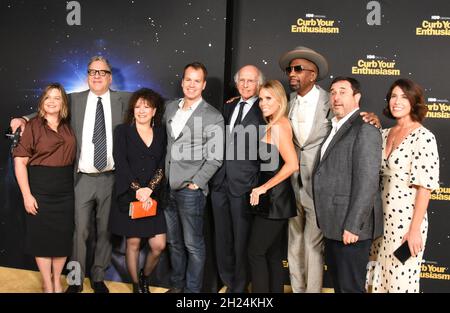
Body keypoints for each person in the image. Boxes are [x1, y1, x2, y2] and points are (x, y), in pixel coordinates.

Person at [11, 56, 131, 293]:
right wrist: (23, 118)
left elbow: (150, 107)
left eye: (102, 72)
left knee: (106, 230)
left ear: (110, 76)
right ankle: (75, 279)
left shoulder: (125, 100)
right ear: (87, 76)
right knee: (78, 231)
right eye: (92, 71)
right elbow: (47, 109)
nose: (96, 75)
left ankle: (98, 277)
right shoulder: (74, 100)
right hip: (80, 178)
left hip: (111, 177)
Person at [278, 46, 381, 292]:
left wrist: (354, 225)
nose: (292, 73)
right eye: (290, 69)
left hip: (331, 203)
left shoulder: (345, 112)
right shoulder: (288, 102)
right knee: (300, 248)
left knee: (328, 261)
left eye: (298, 69)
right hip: (296, 187)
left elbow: (367, 179)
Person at [367, 79, 439, 293]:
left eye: (403, 97)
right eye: (393, 96)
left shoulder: (424, 137)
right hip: (378, 222)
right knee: (376, 280)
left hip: (405, 223)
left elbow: (424, 188)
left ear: (414, 101)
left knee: (400, 283)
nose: (396, 101)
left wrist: (414, 230)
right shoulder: (383, 134)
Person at [312, 77, 383, 293]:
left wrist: (353, 225)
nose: (336, 97)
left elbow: (367, 182)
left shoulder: (365, 129)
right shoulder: (334, 127)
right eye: (333, 92)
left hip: (351, 229)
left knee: (350, 288)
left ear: (357, 97)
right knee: (340, 287)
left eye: (342, 92)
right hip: (333, 224)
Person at [163, 62, 224, 293]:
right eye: (188, 79)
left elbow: (215, 158)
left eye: (196, 81)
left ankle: (192, 293)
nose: (191, 84)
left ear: (204, 85)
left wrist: (196, 183)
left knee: (193, 246)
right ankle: (177, 287)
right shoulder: (170, 108)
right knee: (174, 243)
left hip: (190, 192)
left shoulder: (213, 116)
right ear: (182, 82)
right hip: (167, 189)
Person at [13, 83, 76, 293]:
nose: (51, 101)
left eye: (57, 98)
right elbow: (20, 162)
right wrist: (26, 195)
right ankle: (47, 284)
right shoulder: (32, 126)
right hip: (39, 189)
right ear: (42, 101)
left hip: (66, 191)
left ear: (63, 102)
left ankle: (57, 280)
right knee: (41, 239)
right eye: (48, 97)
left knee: (62, 238)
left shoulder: (69, 125)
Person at [210, 65, 266, 293]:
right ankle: (227, 281)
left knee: (242, 240)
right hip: (220, 182)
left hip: (244, 184)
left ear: (259, 84)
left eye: (250, 81)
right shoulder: (229, 105)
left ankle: (239, 288)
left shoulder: (264, 109)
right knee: (222, 238)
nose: (245, 85)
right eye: (241, 80)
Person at [108, 88, 167, 293]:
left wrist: (150, 189)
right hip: (129, 193)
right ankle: (137, 287)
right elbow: (121, 163)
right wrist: (138, 190)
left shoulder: (161, 132)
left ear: (154, 110)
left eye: (147, 106)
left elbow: (162, 163)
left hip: (153, 195)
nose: (142, 110)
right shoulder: (122, 131)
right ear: (133, 109)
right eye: (138, 106)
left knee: (158, 245)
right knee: (132, 242)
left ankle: (145, 277)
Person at [248, 80, 298, 293]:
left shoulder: (278, 126)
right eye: (260, 98)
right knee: (273, 254)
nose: (262, 103)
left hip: (274, 199)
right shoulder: (276, 123)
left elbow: (292, 164)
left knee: (255, 253)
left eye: (268, 98)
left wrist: (262, 188)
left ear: (280, 101)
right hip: (275, 198)